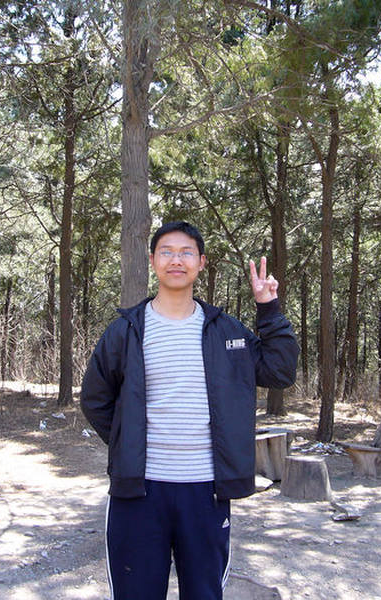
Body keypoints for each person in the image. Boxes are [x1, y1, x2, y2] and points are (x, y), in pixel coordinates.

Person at [80, 221, 298, 600]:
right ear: (152, 261)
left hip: (206, 492)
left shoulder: (226, 331)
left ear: (201, 262)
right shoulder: (126, 330)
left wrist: (268, 308)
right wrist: (127, 441)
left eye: (186, 253)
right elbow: (95, 399)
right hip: (139, 492)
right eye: (166, 252)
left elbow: (280, 371)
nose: (176, 260)